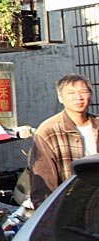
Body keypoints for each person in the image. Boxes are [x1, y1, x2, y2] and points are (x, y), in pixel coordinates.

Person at [28, 74, 99, 207]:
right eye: (71, 93)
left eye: (83, 91)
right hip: (69, 205)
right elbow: (42, 181)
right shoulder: (48, 131)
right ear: (60, 98)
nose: (78, 97)